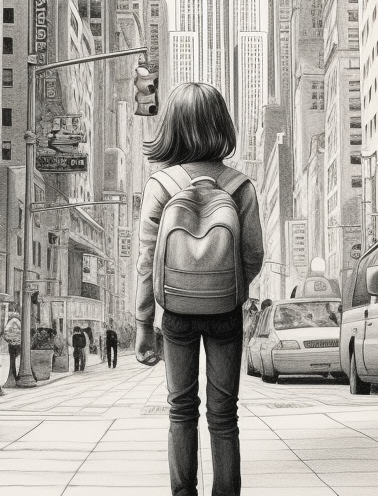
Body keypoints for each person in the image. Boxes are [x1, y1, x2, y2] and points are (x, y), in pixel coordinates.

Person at [134, 81, 264, 496]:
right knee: (224, 415)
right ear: (220, 125)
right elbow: (254, 255)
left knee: (181, 411)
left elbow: (145, 261)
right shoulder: (240, 185)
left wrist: (142, 324)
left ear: (172, 127)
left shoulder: (160, 184)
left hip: (177, 313)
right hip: (225, 311)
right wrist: (233, 289)